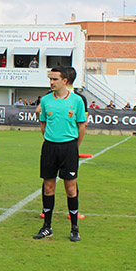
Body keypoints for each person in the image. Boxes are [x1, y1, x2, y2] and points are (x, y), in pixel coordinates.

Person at [34, 66, 87, 242]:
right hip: (49, 147)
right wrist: (51, 140)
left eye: (54, 79)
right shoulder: (46, 100)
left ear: (64, 81)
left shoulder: (77, 101)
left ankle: (74, 228)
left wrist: (74, 146)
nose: (51, 82)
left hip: (69, 148)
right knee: (48, 187)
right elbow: (43, 126)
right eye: (50, 79)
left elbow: (81, 126)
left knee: (70, 188)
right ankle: (47, 227)